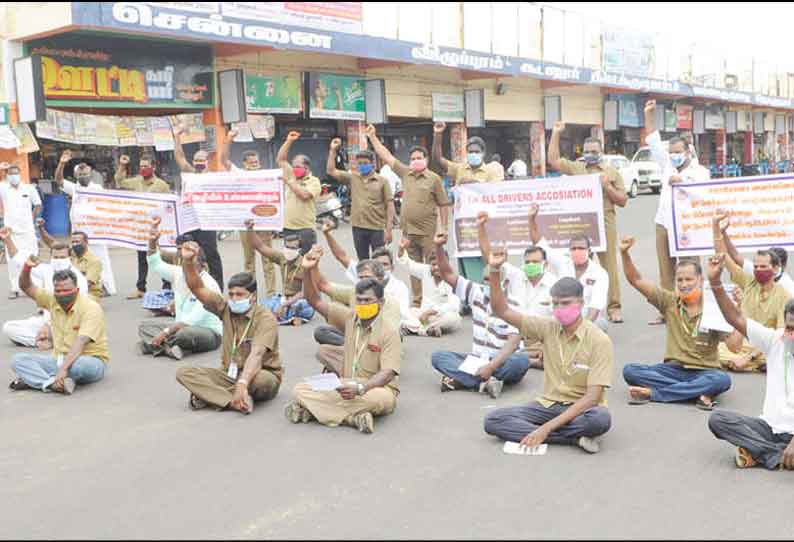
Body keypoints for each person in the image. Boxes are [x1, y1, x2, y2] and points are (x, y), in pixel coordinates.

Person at [483, 249, 613, 454]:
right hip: (548, 405)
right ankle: (572, 439)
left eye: (566, 303)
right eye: (555, 304)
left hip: (581, 409)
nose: (559, 308)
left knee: (600, 419)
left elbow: (592, 397)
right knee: (493, 420)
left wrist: (544, 430)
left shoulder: (599, 340)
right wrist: (494, 270)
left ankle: (550, 433)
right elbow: (503, 311)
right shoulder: (548, 327)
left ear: (580, 303)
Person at [285, 251, 401, 434]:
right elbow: (314, 301)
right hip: (346, 382)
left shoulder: (389, 331)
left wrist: (362, 388)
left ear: (380, 302)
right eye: (359, 300)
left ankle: (313, 411)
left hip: (376, 389)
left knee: (377, 400)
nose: (363, 304)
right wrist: (307, 271)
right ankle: (352, 419)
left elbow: (387, 374)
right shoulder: (350, 318)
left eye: (368, 301)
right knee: (300, 389)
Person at [620, 236, 731, 409]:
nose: (684, 284)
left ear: (700, 280)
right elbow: (636, 280)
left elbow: (734, 345)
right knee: (630, 370)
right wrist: (624, 253)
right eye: (679, 280)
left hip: (705, 371)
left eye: (689, 279)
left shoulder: (714, 306)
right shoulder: (669, 301)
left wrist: (737, 309)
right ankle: (699, 394)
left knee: (722, 380)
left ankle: (654, 393)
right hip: (672, 370)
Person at [705, 254, 794, 471]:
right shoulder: (776, 340)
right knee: (719, 420)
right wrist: (716, 283)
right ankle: (775, 454)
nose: (791, 334)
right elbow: (735, 318)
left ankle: (759, 451)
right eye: (790, 328)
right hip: (769, 427)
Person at [175, 243, 282, 415]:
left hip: (259, 374)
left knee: (262, 381)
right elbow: (197, 288)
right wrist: (188, 262)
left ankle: (215, 395)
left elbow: (257, 355)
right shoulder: (225, 308)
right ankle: (234, 401)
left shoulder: (265, 318)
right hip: (229, 374)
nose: (233, 299)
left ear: (253, 297)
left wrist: (243, 383)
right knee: (184, 372)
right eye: (231, 294)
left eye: (239, 295)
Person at [429, 233, 530, 398]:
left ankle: (464, 380)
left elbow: (512, 344)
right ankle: (485, 383)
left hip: (502, 362)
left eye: (491, 280)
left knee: (520, 361)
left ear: (503, 283)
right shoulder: (476, 293)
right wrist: (439, 247)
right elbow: (447, 274)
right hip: (478, 360)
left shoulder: (514, 304)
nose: (487, 284)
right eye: (484, 280)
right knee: (438, 357)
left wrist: (491, 367)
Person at [548, 122, 627, 324]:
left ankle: (614, 307)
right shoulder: (576, 168)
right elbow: (553, 160)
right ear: (582, 152)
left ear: (602, 151)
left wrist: (607, 186)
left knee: (608, 266)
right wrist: (556, 133)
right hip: (582, 222)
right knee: (577, 263)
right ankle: (575, 303)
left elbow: (623, 200)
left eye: (594, 151)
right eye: (587, 151)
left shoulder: (611, 172)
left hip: (604, 221)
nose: (590, 154)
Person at [643, 100, 711, 325]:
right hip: (664, 223)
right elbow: (652, 139)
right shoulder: (667, 166)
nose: (674, 155)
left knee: (690, 267)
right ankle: (668, 311)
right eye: (671, 152)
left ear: (688, 152)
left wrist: (681, 182)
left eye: (678, 152)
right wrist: (649, 114)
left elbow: (703, 196)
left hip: (688, 226)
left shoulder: (700, 171)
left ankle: (694, 308)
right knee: (666, 271)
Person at [366, 124, 450, 307]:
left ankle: (438, 300)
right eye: (413, 158)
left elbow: (444, 204)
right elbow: (386, 156)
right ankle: (418, 302)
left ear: (426, 160)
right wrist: (372, 137)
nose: (415, 160)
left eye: (419, 158)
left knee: (433, 267)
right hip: (408, 233)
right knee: (413, 268)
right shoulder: (406, 173)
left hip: (429, 233)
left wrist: (444, 227)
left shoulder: (434, 179)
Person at [9, 264, 109, 395]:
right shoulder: (52, 300)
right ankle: (50, 383)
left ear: (77, 290)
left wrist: (63, 369)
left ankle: (36, 379)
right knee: (18, 360)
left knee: (79, 367)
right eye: (58, 291)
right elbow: (26, 286)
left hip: (89, 360)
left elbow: (81, 342)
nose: (62, 294)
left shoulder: (91, 308)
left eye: (67, 290)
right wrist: (27, 268)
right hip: (59, 359)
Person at [712, 212, 791, 372]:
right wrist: (717, 231)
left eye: (763, 267)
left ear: (776, 269)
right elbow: (724, 257)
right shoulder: (749, 281)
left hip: (767, 345)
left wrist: (747, 358)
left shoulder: (784, 295)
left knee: (782, 351)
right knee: (714, 352)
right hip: (745, 343)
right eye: (756, 267)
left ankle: (751, 362)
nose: (758, 270)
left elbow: (780, 336)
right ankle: (753, 363)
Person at [478, 211, 558, 369]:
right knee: (502, 346)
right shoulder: (516, 276)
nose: (531, 265)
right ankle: (527, 359)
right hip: (515, 336)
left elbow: (558, 323)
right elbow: (488, 256)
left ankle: (521, 358)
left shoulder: (555, 285)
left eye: (535, 262)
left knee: (557, 355)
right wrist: (481, 227)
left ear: (545, 264)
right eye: (528, 262)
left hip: (541, 338)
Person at [137, 218, 222, 360]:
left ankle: (158, 345)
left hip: (206, 332)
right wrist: (152, 241)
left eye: (191, 261)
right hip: (179, 326)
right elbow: (155, 264)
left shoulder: (209, 284)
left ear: (202, 265)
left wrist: (165, 333)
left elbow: (191, 321)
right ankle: (172, 349)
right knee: (144, 327)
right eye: (185, 261)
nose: (187, 265)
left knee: (185, 334)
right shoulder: (178, 273)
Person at [432, 121, 501, 283]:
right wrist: (438, 135)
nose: (473, 154)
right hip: (463, 229)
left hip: (485, 228)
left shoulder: (492, 171)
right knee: (465, 269)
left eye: (476, 151)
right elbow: (437, 159)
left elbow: (496, 193)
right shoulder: (460, 169)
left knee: (485, 268)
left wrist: (473, 184)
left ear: (483, 153)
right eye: (470, 151)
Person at [1, 226, 87, 348]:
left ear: (69, 258)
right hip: (46, 319)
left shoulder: (79, 279)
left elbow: (78, 311)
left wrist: (49, 325)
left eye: (62, 257)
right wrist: (7, 239)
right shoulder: (48, 270)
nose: (59, 260)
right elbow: (19, 259)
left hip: (69, 322)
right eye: (55, 257)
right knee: (9, 328)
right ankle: (42, 341)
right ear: (51, 257)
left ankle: (53, 339)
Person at [527, 204, 609, 331]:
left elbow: (595, 307)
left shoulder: (600, 274)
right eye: (574, 248)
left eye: (581, 248)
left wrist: (581, 329)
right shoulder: (563, 263)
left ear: (590, 251)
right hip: (561, 316)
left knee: (601, 324)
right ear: (569, 251)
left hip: (587, 319)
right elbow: (539, 244)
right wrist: (531, 219)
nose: (577, 251)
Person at [320, 219, 410, 325]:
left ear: (392, 267)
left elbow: (401, 315)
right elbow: (341, 256)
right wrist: (327, 234)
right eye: (377, 264)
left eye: (385, 265)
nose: (381, 268)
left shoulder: (399, 288)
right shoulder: (365, 275)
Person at [54, 150, 117, 296]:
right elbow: (59, 180)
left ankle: (106, 286)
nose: (84, 177)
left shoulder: (97, 188)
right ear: (76, 176)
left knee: (101, 260)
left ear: (91, 174)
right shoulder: (74, 188)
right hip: (79, 234)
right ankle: (84, 286)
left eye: (86, 174)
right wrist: (62, 163)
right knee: (81, 261)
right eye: (81, 175)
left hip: (96, 232)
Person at [173, 126, 224, 290]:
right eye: (196, 160)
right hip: (189, 222)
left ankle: (217, 287)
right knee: (188, 254)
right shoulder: (189, 173)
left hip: (207, 223)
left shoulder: (214, 178)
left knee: (211, 255)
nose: (199, 163)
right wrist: (177, 138)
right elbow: (179, 156)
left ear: (208, 162)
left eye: (202, 160)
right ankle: (190, 286)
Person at [114, 154, 171, 300]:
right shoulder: (136, 182)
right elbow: (119, 181)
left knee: (161, 257)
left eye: (146, 166)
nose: (143, 169)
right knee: (141, 258)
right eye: (141, 166)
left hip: (156, 229)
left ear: (154, 167)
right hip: (140, 228)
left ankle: (167, 286)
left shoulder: (161, 185)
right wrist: (122, 165)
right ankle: (141, 288)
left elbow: (169, 205)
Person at [326, 138, 395, 261]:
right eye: (360, 163)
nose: (362, 165)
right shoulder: (353, 178)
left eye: (365, 163)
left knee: (379, 261)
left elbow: (390, 206)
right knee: (362, 261)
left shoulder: (382, 181)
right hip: (358, 228)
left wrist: (389, 230)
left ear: (372, 164)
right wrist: (332, 150)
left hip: (377, 228)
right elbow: (331, 171)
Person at [244, 219, 314, 326]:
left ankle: (282, 316)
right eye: (287, 247)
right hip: (284, 299)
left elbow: (305, 293)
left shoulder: (305, 264)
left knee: (304, 307)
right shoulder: (282, 258)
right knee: (257, 306)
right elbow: (260, 246)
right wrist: (250, 229)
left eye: (293, 248)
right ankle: (287, 317)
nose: (289, 250)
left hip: (301, 301)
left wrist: (284, 305)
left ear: (299, 249)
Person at [396, 237, 462, 337]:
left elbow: (454, 305)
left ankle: (417, 328)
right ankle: (427, 330)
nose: (436, 268)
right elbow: (407, 264)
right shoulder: (425, 270)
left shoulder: (453, 278)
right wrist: (401, 249)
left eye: (439, 264)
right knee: (408, 312)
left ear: (446, 264)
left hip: (440, 316)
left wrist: (431, 312)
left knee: (455, 319)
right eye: (433, 265)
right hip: (422, 315)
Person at [0, 164, 41, 299]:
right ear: (7, 175)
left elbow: (38, 205)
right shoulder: (3, 188)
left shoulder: (29, 188)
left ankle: (33, 285)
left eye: (15, 173)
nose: (13, 176)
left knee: (31, 256)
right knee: (12, 261)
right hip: (11, 232)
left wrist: (32, 219)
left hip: (28, 230)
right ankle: (15, 288)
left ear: (20, 174)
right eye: (10, 174)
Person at [278, 131, 322, 254]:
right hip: (288, 229)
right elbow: (281, 159)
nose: (294, 169)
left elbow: (304, 195)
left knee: (307, 262)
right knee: (291, 261)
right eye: (293, 166)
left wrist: (290, 182)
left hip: (305, 230)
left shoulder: (314, 181)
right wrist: (289, 141)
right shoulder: (291, 174)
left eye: (298, 166)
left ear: (307, 168)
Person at [38, 222, 102, 302]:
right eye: (73, 242)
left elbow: (86, 284)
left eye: (77, 242)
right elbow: (52, 243)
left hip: (88, 294)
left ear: (86, 243)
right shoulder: (69, 253)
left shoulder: (94, 261)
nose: (75, 244)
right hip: (67, 290)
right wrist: (41, 228)